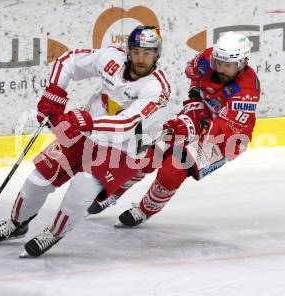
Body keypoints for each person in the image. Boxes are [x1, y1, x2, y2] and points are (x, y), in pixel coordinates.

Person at [0, 25, 171, 257]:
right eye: (137, 51)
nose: (141, 58)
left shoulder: (157, 88)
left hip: (122, 149)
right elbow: (67, 61)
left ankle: (52, 233)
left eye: (148, 53)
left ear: (157, 54)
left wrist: (87, 122)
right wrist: (54, 92)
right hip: (85, 133)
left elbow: (127, 123)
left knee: (80, 190)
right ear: (128, 52)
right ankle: (16, 224)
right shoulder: (111, 59)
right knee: (37, 179)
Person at [87, 31, 261, 227]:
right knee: (152, 150)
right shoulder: (206, 59)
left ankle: (145, 210)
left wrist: (198, 127)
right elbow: (193, 71)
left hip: (227, 138)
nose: (220, 68)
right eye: (217, 62)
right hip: (202, 114)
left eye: (227, 65)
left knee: (174, 168)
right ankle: (114, 191)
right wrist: (195, 95)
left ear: (243, 63)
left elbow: (225, 129)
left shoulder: (246, 93)